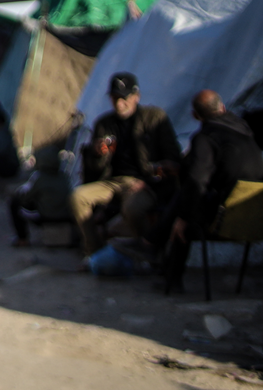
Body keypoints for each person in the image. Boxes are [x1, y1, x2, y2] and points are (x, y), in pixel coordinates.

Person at [155, 90, 263, 289]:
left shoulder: (206, 137)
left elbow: (197, 180)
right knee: (189, 202)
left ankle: (168, 273)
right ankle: (153, 242)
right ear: (223, 107)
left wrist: (183, 218)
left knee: (186, 209)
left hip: (225, 220)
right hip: (256, 218)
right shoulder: (246, 131)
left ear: (195, 116)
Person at [70, 72, 182, 260]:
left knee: (132, 208)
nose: (119, 104)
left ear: (136, 97)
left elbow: (172, 158)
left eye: (124, 98)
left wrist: (151, 178)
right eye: (115, 98)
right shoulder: (104, 123)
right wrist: (97, 154)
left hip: (144, 182)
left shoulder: (154, 118)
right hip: (112, 181)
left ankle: (148, 250)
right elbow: (93, 171)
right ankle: (94, 252)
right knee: (78, 198)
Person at [8, 145, 73, 247]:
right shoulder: (64, 177)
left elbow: (24, 196)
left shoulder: (39, 177)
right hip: (66, 217)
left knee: (15, 203)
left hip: (47, 218)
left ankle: (22, 238)